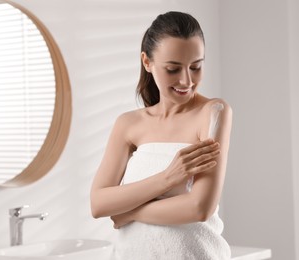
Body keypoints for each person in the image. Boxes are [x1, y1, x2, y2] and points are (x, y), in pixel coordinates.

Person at [90, 11, 232, 260]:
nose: (186, 80)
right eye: (173, 69)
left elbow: (200, 208)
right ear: (147, 62)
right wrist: (168, 177)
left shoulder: (213, 112)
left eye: (196, 67)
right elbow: (99, 203)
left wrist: (130, 213)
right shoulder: (128, 124)